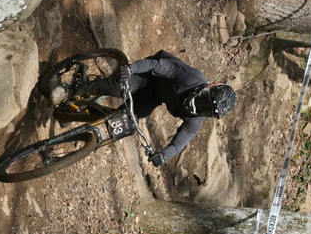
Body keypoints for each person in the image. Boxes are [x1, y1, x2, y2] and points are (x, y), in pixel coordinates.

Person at [50, 50, 237, 167]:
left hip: (155, 96)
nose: (198, 107)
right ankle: (72, 90)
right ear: (209, 87)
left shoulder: (195, 120)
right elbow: (158, 66)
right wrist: (132, 68)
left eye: (205, 110)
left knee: (125, 121)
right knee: (119, 88)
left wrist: (163, 156)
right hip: (152, 75)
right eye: (204, 100)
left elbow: (180, 143)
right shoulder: (191, 78)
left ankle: (76, 112)